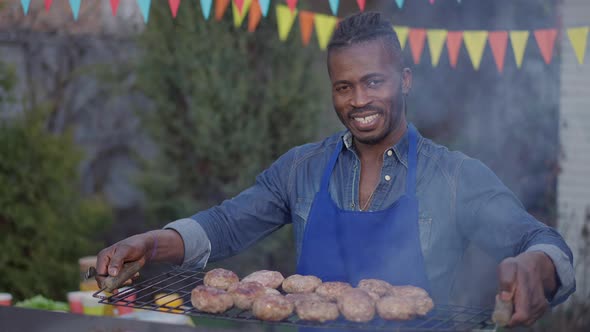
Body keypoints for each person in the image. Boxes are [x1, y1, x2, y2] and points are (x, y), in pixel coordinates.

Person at [95, 12, 575, 327]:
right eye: (343, 87)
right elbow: (225, 224)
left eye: (373, 81)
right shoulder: (302, 168)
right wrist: (154, 242)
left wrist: (538, 267)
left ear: (405, 81)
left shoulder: (454, 177)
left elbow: (542, 243)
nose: (358, 100)